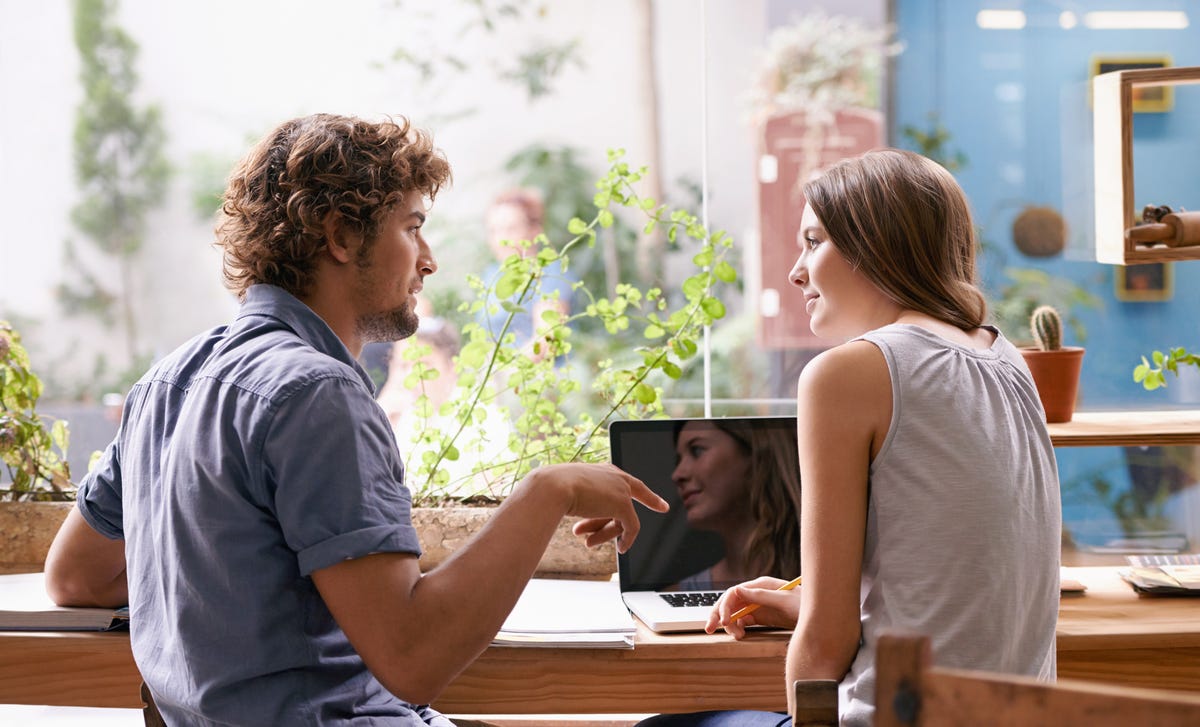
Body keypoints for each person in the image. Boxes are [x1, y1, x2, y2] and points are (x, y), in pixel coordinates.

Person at [42, 113, 668, 726]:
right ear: (342, 237)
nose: (429, 260)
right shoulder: (318, 393)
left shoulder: (166, 380)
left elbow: (74, 576)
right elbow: (413, 660)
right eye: (412, 228)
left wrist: (232, 592)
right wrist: (546, 489)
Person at [643, 149, 1062, 727]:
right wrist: (804, 601)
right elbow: (962, 579)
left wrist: (816, 615)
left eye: (813, 242)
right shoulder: (1007, 357)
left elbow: (826, 638)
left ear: (876, 246)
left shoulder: (851, 372)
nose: (795, 271)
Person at [670, 419, 801, 590]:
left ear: (756, 452)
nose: (677, 475)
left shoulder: (829, 580)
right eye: (679, 459)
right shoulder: (678, 595)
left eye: (697, 450)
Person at [478, 188, 578, 356]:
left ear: (534, 230)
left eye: (510, 229)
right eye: (494, 231)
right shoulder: (492, 273)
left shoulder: (551, 273)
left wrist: (504, 372)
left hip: (539, 375)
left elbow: (546, 342)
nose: (500, 240)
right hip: (495, 374)